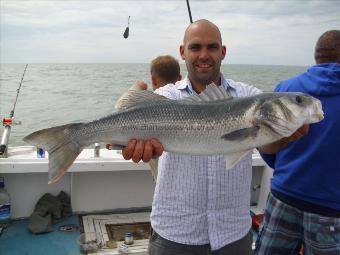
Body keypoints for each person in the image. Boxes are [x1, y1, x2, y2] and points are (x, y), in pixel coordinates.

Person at [121, 19, 305, 255]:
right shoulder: (166, 96)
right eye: (195, 47)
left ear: (223, 51)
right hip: (175, 233)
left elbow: (267, 146)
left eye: (212, 47)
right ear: (182, 52)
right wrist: (133, 147)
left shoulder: (249, 96)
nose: (204, 55)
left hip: (233, 234)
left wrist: (283, 134)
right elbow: (125, 133)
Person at [254, 30, 340, 255]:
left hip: (283, 197)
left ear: (316, 55)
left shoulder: (285, 88)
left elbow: (267, 146)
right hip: (332, 208)